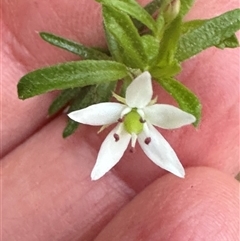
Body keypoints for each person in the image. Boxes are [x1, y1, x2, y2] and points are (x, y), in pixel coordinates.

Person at [2, 0, 239, 240]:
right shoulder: (135, 93)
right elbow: (89, 110)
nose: (133, 129)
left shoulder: (139, 111)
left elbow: (175, 111)